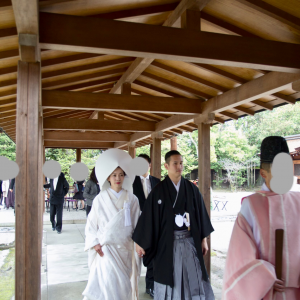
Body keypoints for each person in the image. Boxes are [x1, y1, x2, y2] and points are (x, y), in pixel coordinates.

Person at [222, 136, 300, 300]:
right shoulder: (251, 205)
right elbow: (239, 258)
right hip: (266, 292)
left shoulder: (298, 200)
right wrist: (266, 277)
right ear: (264, 173)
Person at [133, 150, 215, 300]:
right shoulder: (158, 191)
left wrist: (204, 239)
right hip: (166, 244)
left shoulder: (192, 189)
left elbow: (200, 215)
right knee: (169, 278)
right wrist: (140, 242)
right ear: (166, 165)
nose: (179, 167)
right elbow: (148, 218)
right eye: (175, 163)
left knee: (193, 276)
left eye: (181, 163)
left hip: (189, 242)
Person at [82, 159, 142, 300]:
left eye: (121, 175)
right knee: (107, 285)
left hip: (125, 249)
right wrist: (94, 242)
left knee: (123, 287)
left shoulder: (132, 199)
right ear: (108, 177)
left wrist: (139, 244)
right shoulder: (100, 199)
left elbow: (138, 224)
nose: (118, 178)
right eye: (114, 175)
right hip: (106, 249)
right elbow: (91, 225)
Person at [132, 153, 160, 297]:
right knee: (137, 259)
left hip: (155, 224)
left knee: (153, 255)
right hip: (138, 224)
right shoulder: (130, 182)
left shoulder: (157, 181)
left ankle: (151, 286)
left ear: (149, 164)